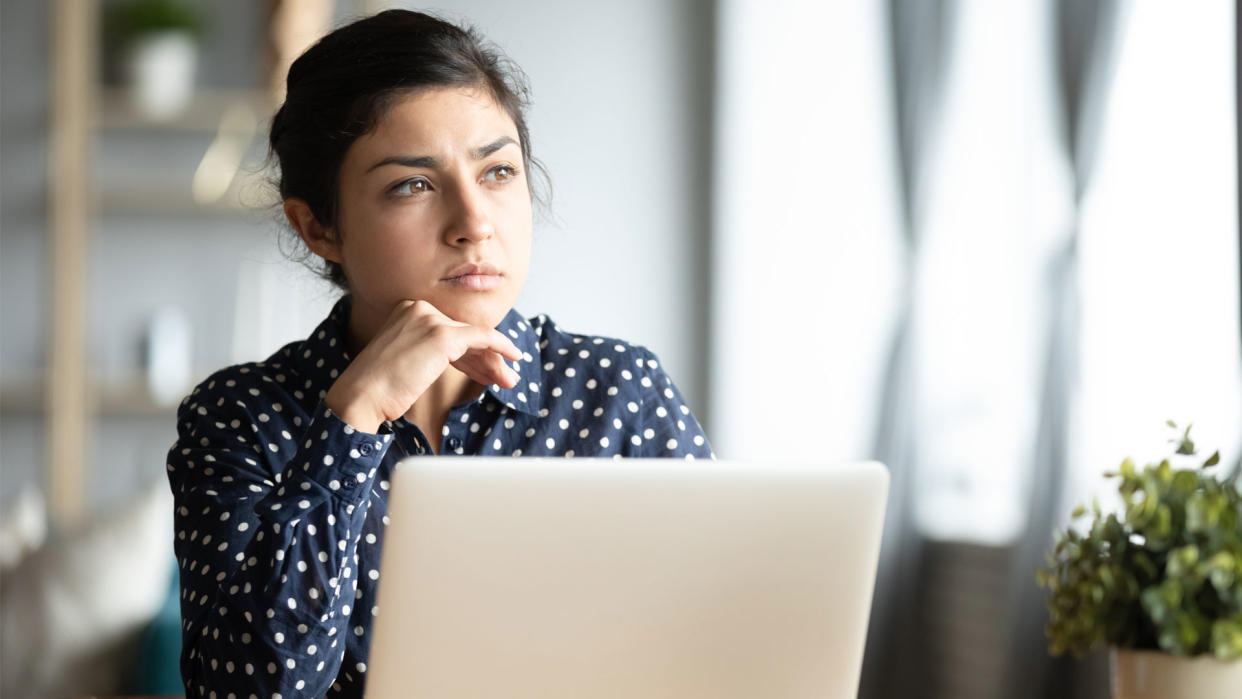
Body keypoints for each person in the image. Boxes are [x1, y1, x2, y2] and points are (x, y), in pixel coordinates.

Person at [165, 9, 713, 699]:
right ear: (318, 226)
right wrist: (353, 415)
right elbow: (252, 688)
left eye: (498, 171)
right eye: (412, 185)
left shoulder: (617, 391)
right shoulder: (241, 416)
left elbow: (717, 640)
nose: (475, 222)